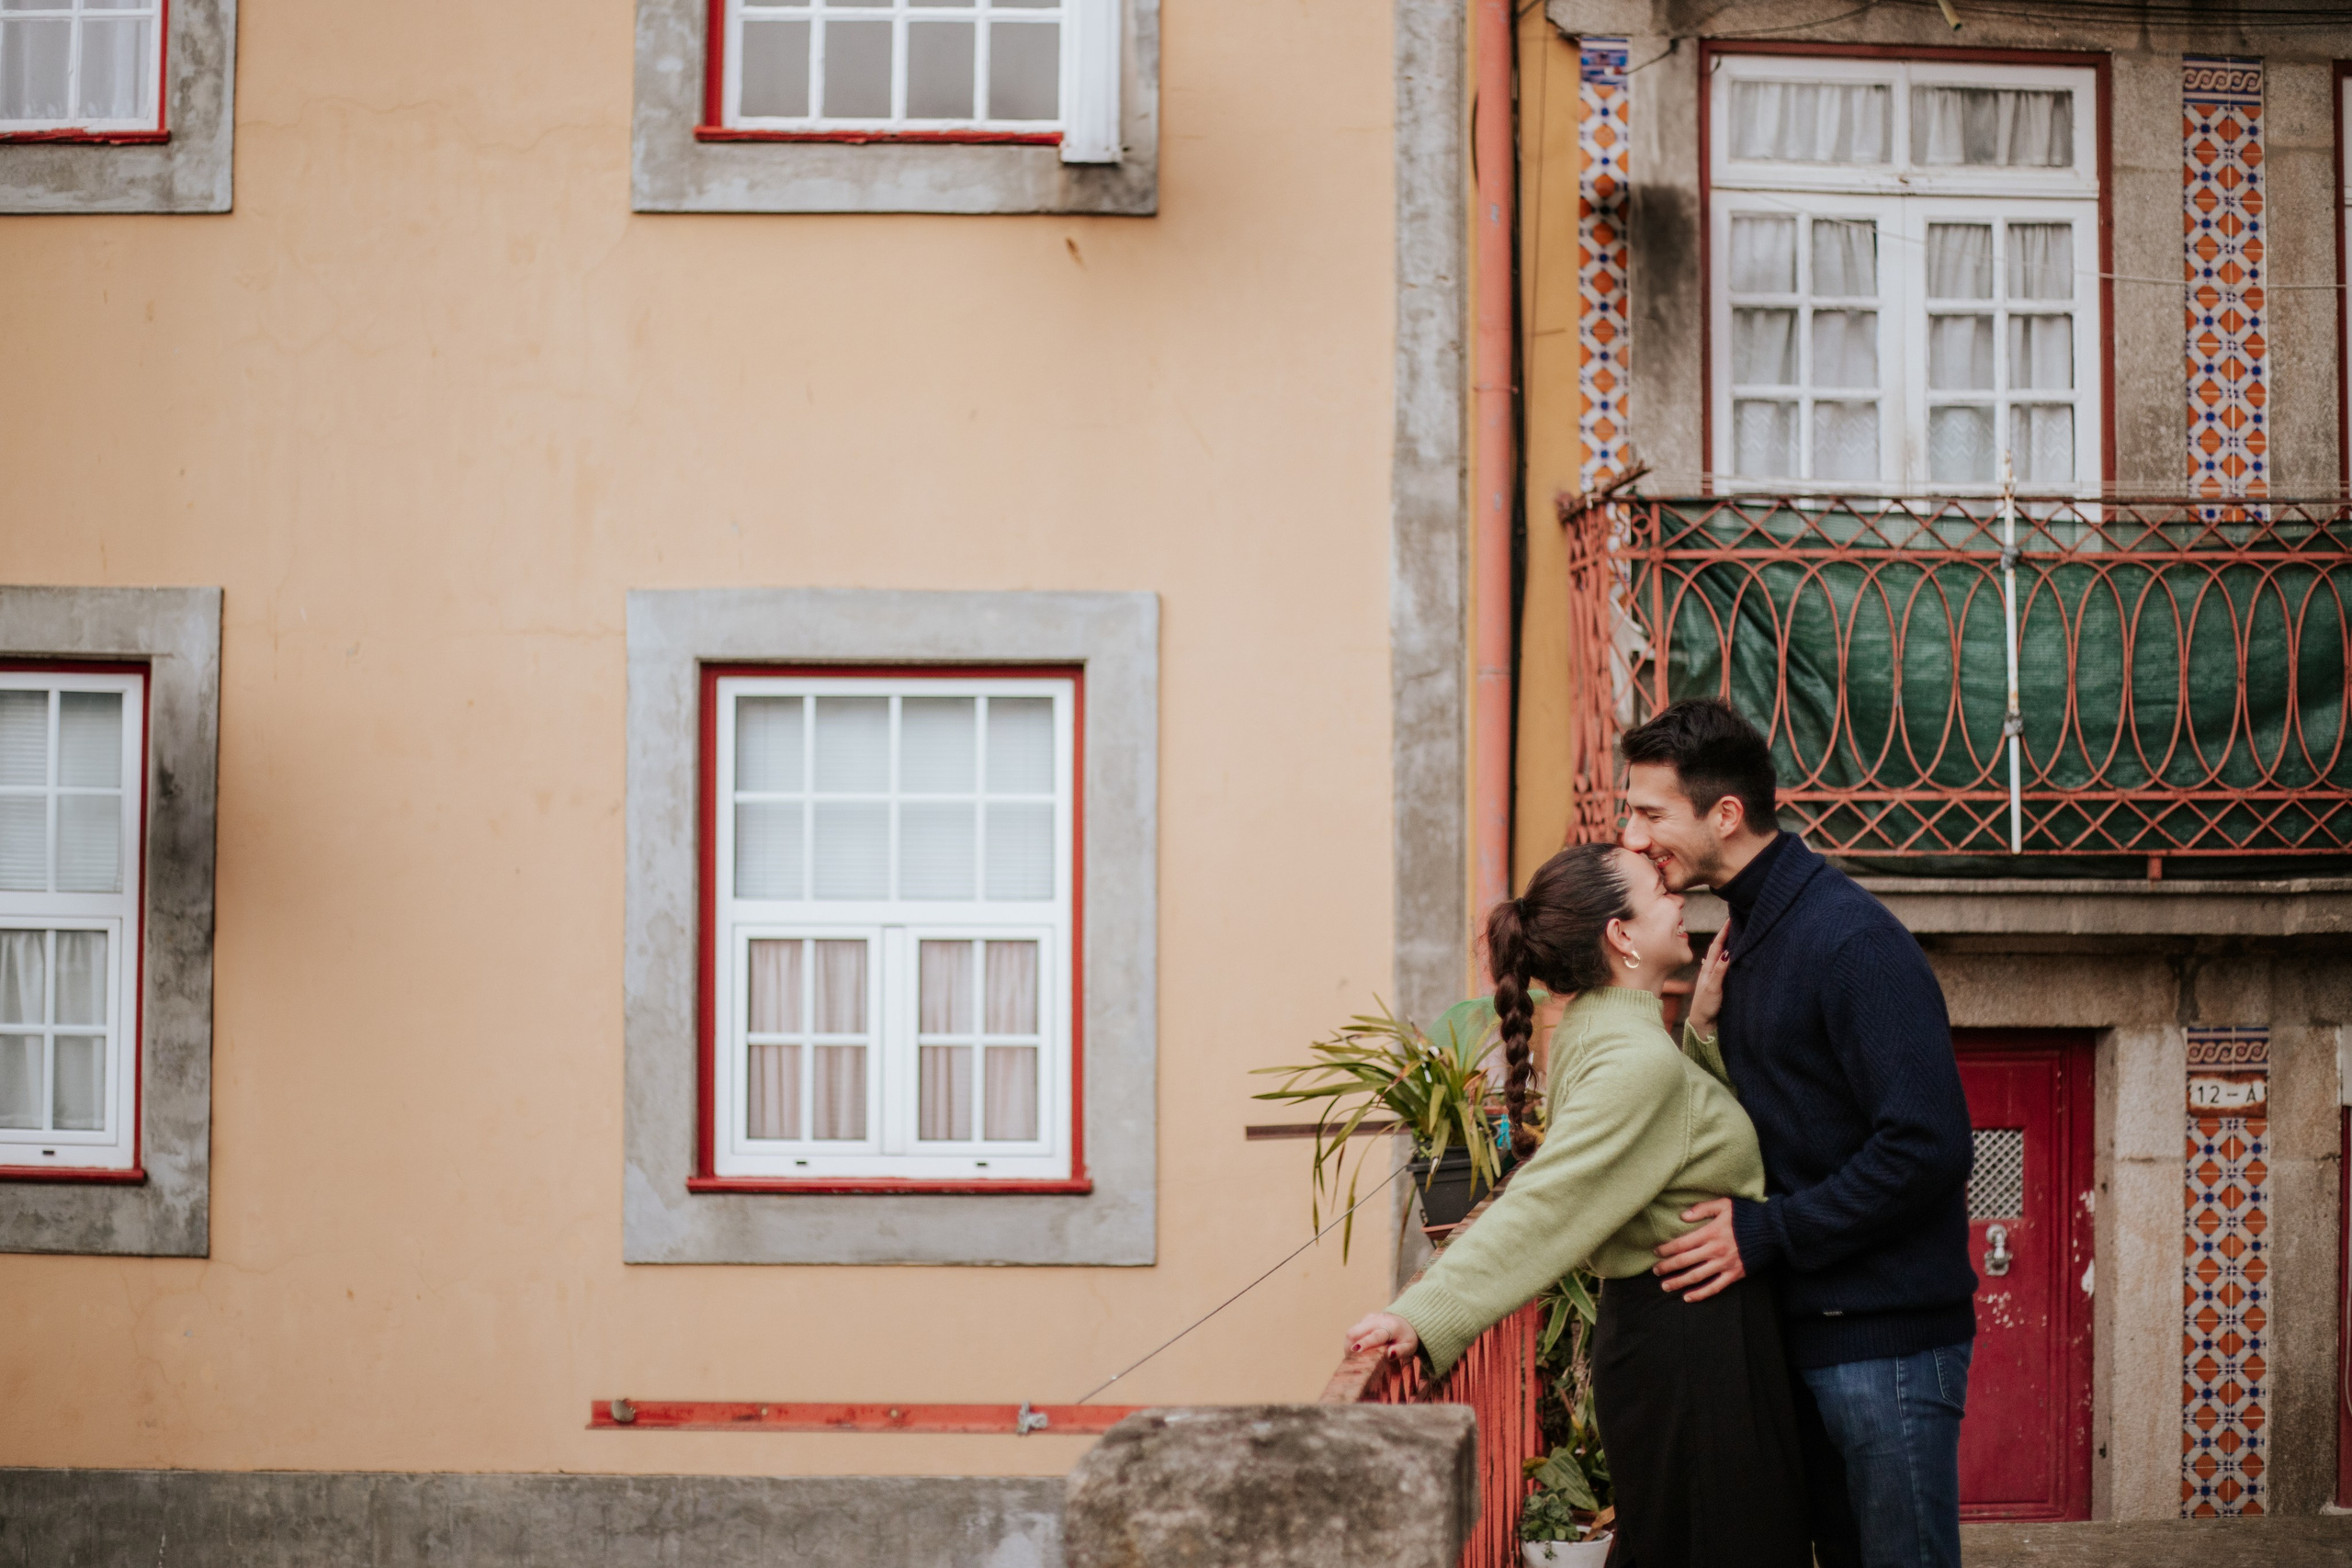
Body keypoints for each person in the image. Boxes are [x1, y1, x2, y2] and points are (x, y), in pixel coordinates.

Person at [1343, 841, 1810, 1568]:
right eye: (1659, 890)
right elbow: (1549, 1198)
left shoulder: (1602, 1028)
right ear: (1621, 935)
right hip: (1698, 1345)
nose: (1679, 897)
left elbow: (1666, 1141)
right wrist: (1426, 1312)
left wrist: (1702, 1032)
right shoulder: (1636, 1061)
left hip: (1669, 1335)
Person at [1619, 698, 1977, 1568]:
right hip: (1805, 1331)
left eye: (1650, 812)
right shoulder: (1753, 930)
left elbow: (1928, 1144)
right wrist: (1701, 1033)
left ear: (1726, 815)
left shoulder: (1850, 940)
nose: (1633, 837)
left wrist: (1765, 1231)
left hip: (1886, 1344)